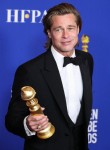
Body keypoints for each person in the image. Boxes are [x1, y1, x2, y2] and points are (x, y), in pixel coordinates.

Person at [5, 3, 93, 150]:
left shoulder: (86, 60)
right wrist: (28, 124)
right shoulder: (29, 70)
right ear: (49, 33)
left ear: (78, 29)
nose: (66, 35)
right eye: (58, 29)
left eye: (70, 28)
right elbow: (12, 121)